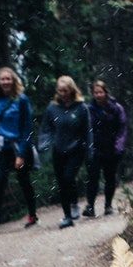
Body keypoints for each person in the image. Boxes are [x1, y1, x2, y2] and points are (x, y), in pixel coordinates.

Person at [0, 66, 37, 234]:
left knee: (24, 180)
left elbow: (27, 128)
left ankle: (32, 214)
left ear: (13, 80)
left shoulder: (22, 100)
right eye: (2, 79)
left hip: (18, 146)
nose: (5, 82)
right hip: (1, 147)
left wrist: (21, 154)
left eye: (8, 79)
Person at [39, 76, 93, 229]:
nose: (62, 93)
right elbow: (46, 128)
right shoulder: (52, 108)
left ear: (71, 90)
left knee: (69, 177)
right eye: (60, 90)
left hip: (76, 149)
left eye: (65, 90)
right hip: (58, 150)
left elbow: (87, 131)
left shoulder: (81, 107)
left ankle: (74, 204)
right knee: (62, 182)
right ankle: (67, 216)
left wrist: (89, 149)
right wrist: (44, 144)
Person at [84, 80, 127, 217]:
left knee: (110, 177)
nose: (98, 95)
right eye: (95, 92)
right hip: (95, 148)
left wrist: (119, 145)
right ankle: (90, 206)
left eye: (100, 92)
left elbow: (122, 127)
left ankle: (108, 205)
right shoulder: (88, 109)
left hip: (111, 148)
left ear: (106, 92)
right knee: (93, 178)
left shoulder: (116, 108)